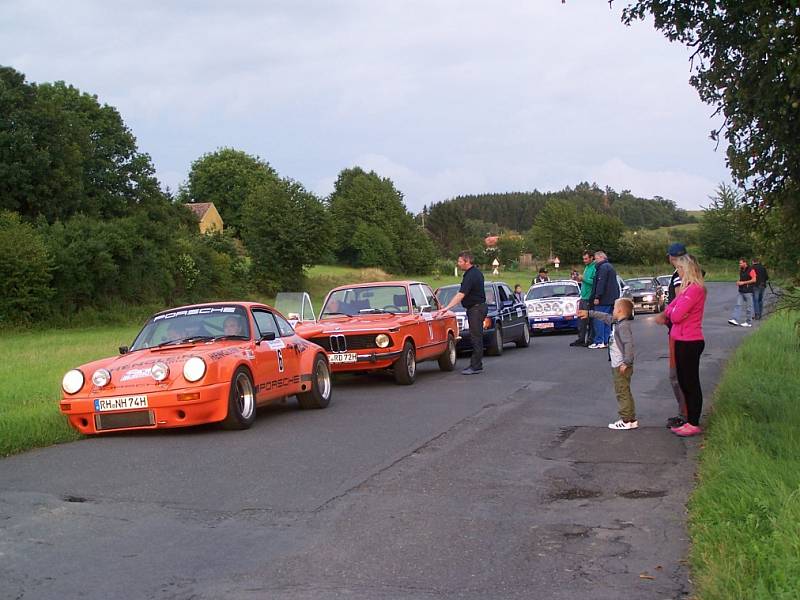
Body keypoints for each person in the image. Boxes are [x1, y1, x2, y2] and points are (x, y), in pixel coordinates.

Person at [661, 254, 707, 437]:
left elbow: (676, 315)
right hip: (681, 338)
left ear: (687, 270)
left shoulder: (695, 289)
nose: (678, 273)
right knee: (683, 381)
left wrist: (674, 313)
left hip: (690, 340)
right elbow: (668, 309)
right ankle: (689, 419)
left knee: (691, 382)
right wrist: (674, 312)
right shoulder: (687, 289)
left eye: (680, 269)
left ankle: (694, 422)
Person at [579, 298, 638, 430]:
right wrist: (589, 313)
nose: (612, 311)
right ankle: (631, 419)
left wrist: (627, 362)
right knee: (625, 391)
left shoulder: (623, 326)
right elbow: (605, 317)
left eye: (614, 308)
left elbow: (629, 344)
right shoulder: (617, 322)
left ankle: (626, 420)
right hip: (619, 364)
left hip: (621, 365)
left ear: (620, 310)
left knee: (621, 392)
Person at [442, 251, 487, 375]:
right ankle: (477, 364)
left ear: (467, 262)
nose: (458, 263)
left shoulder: (471, 275)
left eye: (460, 261)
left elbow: (461, 294)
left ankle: (476, 366)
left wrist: (448, 307)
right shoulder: (475, 273)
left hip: (476, 309)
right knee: (476, 336)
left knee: (476, 337)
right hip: (476, 308)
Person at [588, 250, 620, 349]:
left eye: (596, 259)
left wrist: (597, 296)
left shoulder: (602, 268)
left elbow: (601, 283)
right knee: (607, 320)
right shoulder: (610, 267)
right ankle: (606, 340)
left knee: (599, 319)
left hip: (604, 299)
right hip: (611, 299)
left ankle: (599, 341)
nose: (595, 261)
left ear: (602, 258)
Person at [570, 250, 596, 348]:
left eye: (586, 259)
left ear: (591, 258)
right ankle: (581, 339)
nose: (584, 261)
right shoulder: (586, 267)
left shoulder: (594, 268)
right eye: (583, 259)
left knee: (589, 320)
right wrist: (578, 279)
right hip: (583, 297)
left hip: (589, 298)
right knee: (581, 320)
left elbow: (593, 282)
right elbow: (585, 281)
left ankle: (590, 339)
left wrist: (583, 278)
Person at [728, 258, 757, 327]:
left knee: (749, 307)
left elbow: (754, 280)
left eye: (740, 263)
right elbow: (742, 279)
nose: (739, 264)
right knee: (738, 305)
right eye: (739, 263)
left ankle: (748, 322)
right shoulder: (741, 270)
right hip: (741, 290)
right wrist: (739, 282)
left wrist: (743, 282)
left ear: (745, 263)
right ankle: (734, 319)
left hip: (748, 291)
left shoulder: (751, 270)